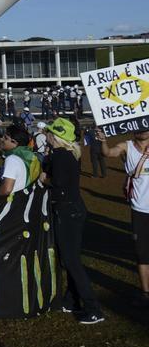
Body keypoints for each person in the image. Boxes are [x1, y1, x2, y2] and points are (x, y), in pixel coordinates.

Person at [41, 118, 103, 324]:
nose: (46, 135)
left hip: (67, 211)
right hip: (74, 209)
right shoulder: (69, 154)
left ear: (55, 137)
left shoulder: (59, 156)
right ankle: (72, 299)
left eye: (49, 132)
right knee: (71, 257)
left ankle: (93, 308)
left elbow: (57, 184)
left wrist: (44, 177)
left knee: (71, 261)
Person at [97, 126, 149, 307]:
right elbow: (109, 153)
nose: (143, 131)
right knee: (142, 253)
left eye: (146, 128)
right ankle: (145, 292)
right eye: (140, 128)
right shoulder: (126, 146)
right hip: (140, 208)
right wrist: (103, 140)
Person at [0, 125, 40, 196]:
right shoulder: (29, 156)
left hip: (10, 202)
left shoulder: (12, 159)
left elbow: (7, 190)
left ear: (14, 142)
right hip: (23, 200)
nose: (2, 139)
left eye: (5, 138)